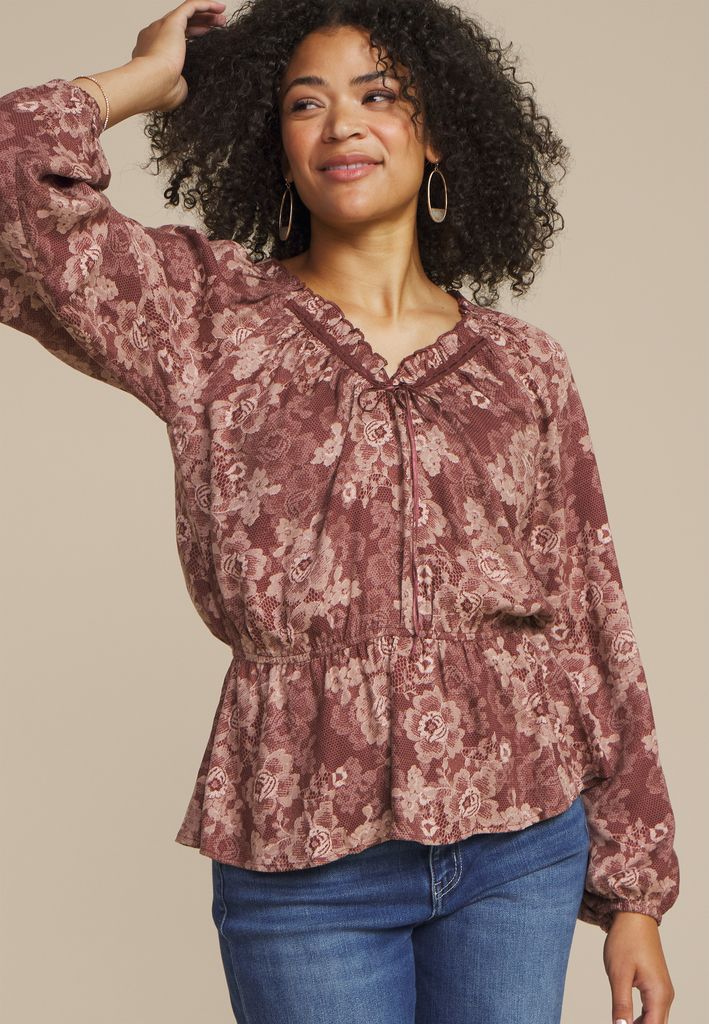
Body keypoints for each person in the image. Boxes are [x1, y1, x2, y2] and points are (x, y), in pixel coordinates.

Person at [0, 1, 679, 1021]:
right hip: (304, 864)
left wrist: (633, 894)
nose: (341, 124)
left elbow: (589, 617)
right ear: (276, 146)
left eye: (378, 95)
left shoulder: (523, 366)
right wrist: (142, 81)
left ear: (436, 133)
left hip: (520, 850)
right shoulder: (207, 319)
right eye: (304, 104)